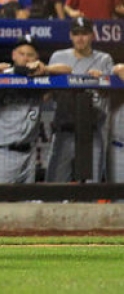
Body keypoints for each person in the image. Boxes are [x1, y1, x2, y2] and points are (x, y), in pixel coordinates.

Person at [45, 17, 113, 183]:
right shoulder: (58, 57)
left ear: (92, 35)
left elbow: (109, 95)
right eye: (76, 34)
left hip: (92, 132)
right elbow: (48, 92)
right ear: (70, 35)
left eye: (84, 33)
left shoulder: (104, 59)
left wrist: (102, 81)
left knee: (91, 186)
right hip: (64, 131)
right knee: (55, 186)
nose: (80, 38)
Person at [0, 35, 50, 184]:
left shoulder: (39, 79)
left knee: (27, 199)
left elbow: (67, 71)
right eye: (22, 54)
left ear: (36, 58)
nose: (26, 58)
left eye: (30, 55)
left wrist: (46, 68)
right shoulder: (1, 75)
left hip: (28, 153)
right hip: (1, 151)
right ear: (14, 55)